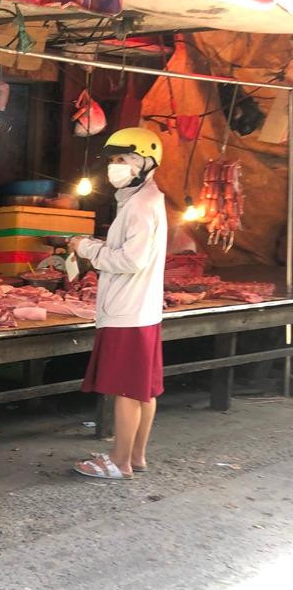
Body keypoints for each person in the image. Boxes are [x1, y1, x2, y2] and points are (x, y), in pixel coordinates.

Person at [69, 128, 168, 480]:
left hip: (129, 312)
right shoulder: (146, 199)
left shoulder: (141, 205)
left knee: (126, 390)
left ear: (143, 162)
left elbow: (132, 260)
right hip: (142, 310)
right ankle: (136, 456)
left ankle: (119, 461)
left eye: (123, 160)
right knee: (144, 389)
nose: (115, 167)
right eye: (113, 160)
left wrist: (87, 249)